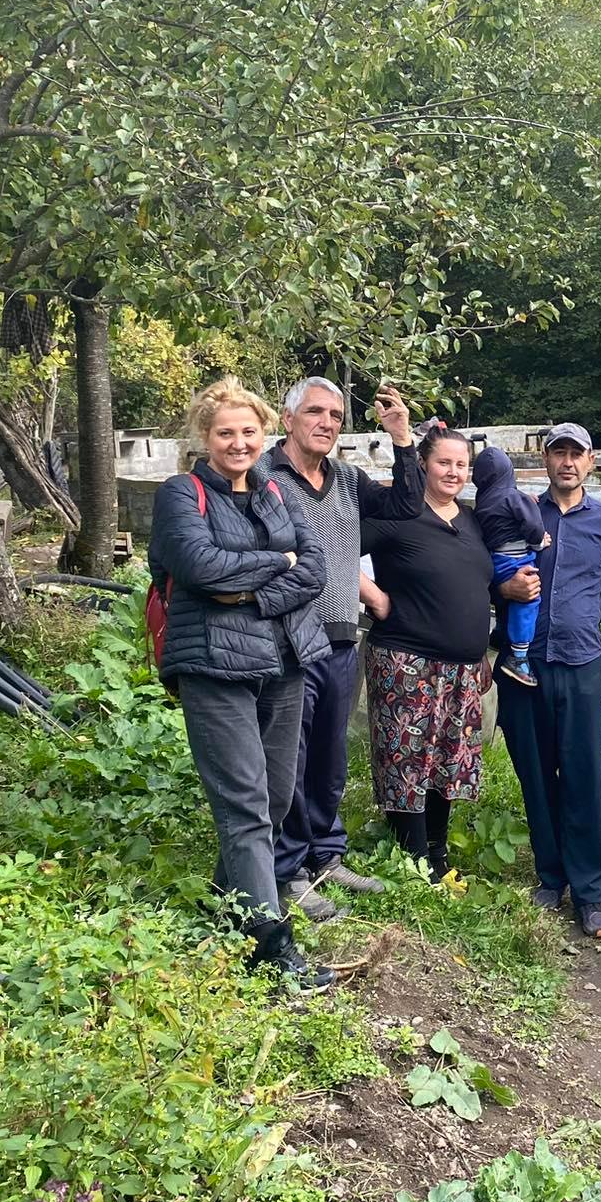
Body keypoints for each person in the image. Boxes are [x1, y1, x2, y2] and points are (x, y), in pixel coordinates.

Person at [150, 377, 332, 990]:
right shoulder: (181, 495)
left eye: (249, 431)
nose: (238, 442)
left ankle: (227, 904)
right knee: (246, 805)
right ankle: (269, 943)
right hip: (213, 665)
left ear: (264, 434)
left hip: (282, 661)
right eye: (225, 432)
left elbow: (315, 569)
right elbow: (199, 567)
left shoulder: (277, 491)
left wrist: (246, 595)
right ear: (205, 437)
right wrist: (273, 566)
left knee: (277, 798)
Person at [265, 377, 423, 920]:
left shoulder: (347, 481)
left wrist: (402, 434)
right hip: (283, 640)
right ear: (288, 420)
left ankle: (326, 855)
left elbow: (406, 504)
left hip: (338, 635)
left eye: (335, 415)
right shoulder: (264, 477)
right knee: (290, 759)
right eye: (315, 412)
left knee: (330, 756)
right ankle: (287, 873)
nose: (326, 423)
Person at [492, 423, 601, 938]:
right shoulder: (523, 515)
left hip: (582, 664)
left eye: (576, 454)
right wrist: (503, 588)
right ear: (545, 462)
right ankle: (550, 877)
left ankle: (592, 892)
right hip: (524, 666)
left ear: (590, 462)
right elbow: (494, 574)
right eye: (558, 454)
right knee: (535, 771)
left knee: (584, 778)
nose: (567, 463)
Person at [362, 424, 496, 877]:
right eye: (444, 462)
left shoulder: (471, 519)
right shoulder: (398, 512)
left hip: (462, 666)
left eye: (462, 464)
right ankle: (412, 856)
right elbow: (332, 551)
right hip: (406, 659)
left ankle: (437, 851)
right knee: (408, 758)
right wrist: (374, 596)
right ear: (422, 464)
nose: (453, 472)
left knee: (446, 759)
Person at [472, 447, 552, 687]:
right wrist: (538, 542)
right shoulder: (512, 496)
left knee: (509, 600)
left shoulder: (483, 500)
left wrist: (521, 498)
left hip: (495, 560)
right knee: (528, 599)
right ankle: (518, 657)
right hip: (516, 558)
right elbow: (533, 523)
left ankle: (499, 635)